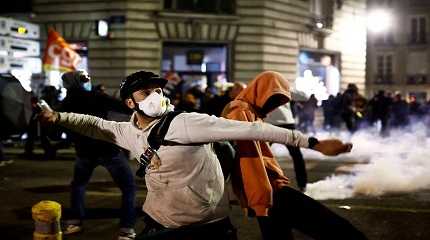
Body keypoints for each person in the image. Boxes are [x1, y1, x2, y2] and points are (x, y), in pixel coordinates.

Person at [40, 70, 354, 239]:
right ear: (130, 104)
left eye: (159, 90)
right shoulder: (128, 132)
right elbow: (95, 125)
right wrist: (57, 117)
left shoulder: (187, 123)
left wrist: (312, 143)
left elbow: (255, 131)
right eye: (146, 93)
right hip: (159, 222)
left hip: (204, 228)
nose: (157, 96)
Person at [222, 71, 366, 240]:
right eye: (273, 99)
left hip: (264, 193)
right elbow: (255, 136)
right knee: (341, 231)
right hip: (269, 191)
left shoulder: (250, 112)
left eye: (279, 101)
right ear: (259, 91)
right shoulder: (239, 110)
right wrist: (315, 144)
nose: (274, 106)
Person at [58, 70, 137, 240]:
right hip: (108, 150)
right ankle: (126, 229)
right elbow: (123, 107)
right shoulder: (97, 96)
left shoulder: (65, 103)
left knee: (78, 185)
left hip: (84, 152)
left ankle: (75, 222)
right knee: (128, 187)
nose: (87, 81)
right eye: (85, 79)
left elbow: (58, 129)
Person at [265, 92, 308, 192]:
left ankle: (302, 184)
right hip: (281, 123)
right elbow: (304, 96)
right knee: (296, 155)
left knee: (260, 155)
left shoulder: (267, 88)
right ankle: (302, 184)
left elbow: (304, 97)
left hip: (275, 124)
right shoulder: (282, 88)